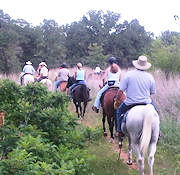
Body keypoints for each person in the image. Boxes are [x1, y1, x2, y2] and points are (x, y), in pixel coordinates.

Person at [116, 55, 158, 138]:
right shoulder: (150, 77)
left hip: (130, 102)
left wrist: (117, 99)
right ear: (146, 66)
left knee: (119, 111)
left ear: (136, 64)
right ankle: (158, 132)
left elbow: (120, 91)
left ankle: (119, 131)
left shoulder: (128, 75)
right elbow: (152, 92)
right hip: (146, 102)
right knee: (156, 113)